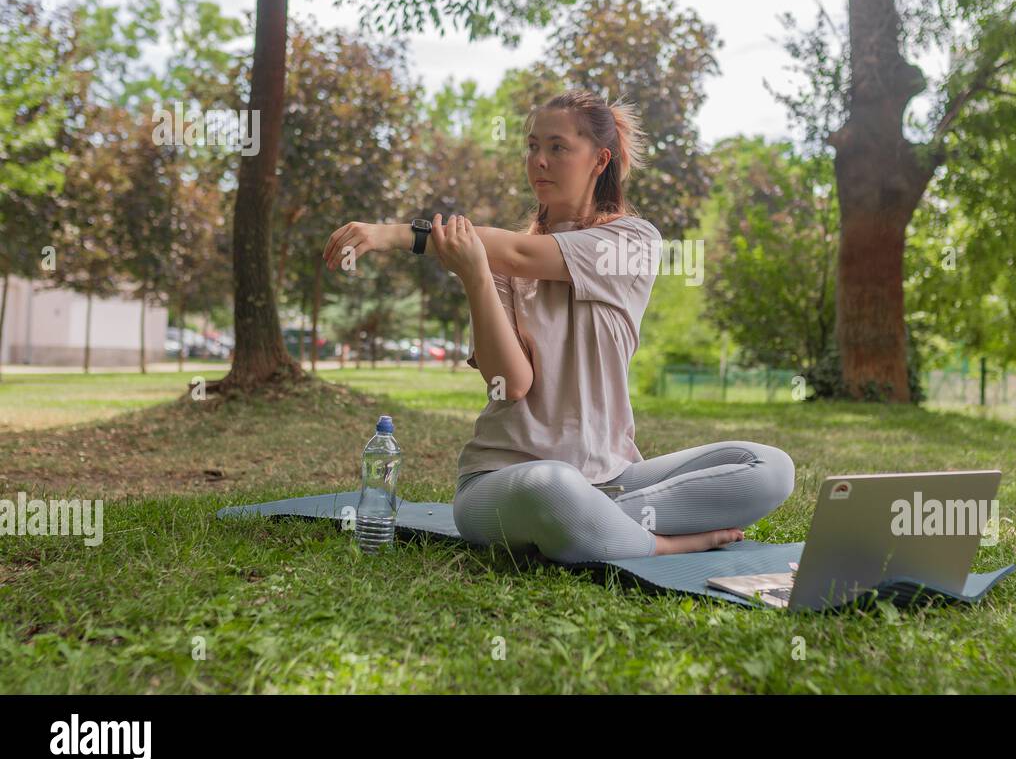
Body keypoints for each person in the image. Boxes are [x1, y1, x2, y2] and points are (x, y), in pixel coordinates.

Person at [323, 89, 795, 562]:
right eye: (532, 147)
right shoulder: (497, 261)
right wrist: (476, 278)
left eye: (557, 147)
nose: (539, 161)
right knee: (552, 485)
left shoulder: (630, 242)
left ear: (599, 160)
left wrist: (390, 234)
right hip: (504, 481)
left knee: (770, 468)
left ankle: (587, 522)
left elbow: (523, 253)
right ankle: (656, 541)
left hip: (612, 474)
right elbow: (511, 384)